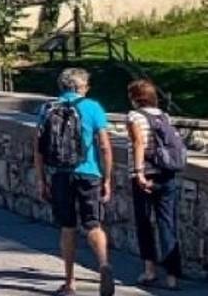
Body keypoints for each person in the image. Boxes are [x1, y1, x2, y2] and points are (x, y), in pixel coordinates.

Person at [34, 67, 115, 296]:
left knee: (67, 227)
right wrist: (107, 178)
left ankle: (70, 283)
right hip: (89, 173)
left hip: (60, 173)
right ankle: (103, 264)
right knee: (93, 224)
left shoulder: (48, 108)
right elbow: (105, 147)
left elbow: (38, 148)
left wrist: (41, 179)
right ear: (82, 87)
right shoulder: (93, 108)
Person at [126, 79, 184, 290]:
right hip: (166, 174)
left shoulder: (134, 116)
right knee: (167, 224)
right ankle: (172, 276)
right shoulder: (163, 116)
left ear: (135, 97)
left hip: (145, 175)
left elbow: (138, 143)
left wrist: (139, 172)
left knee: (144, 223)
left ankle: (150, 270)